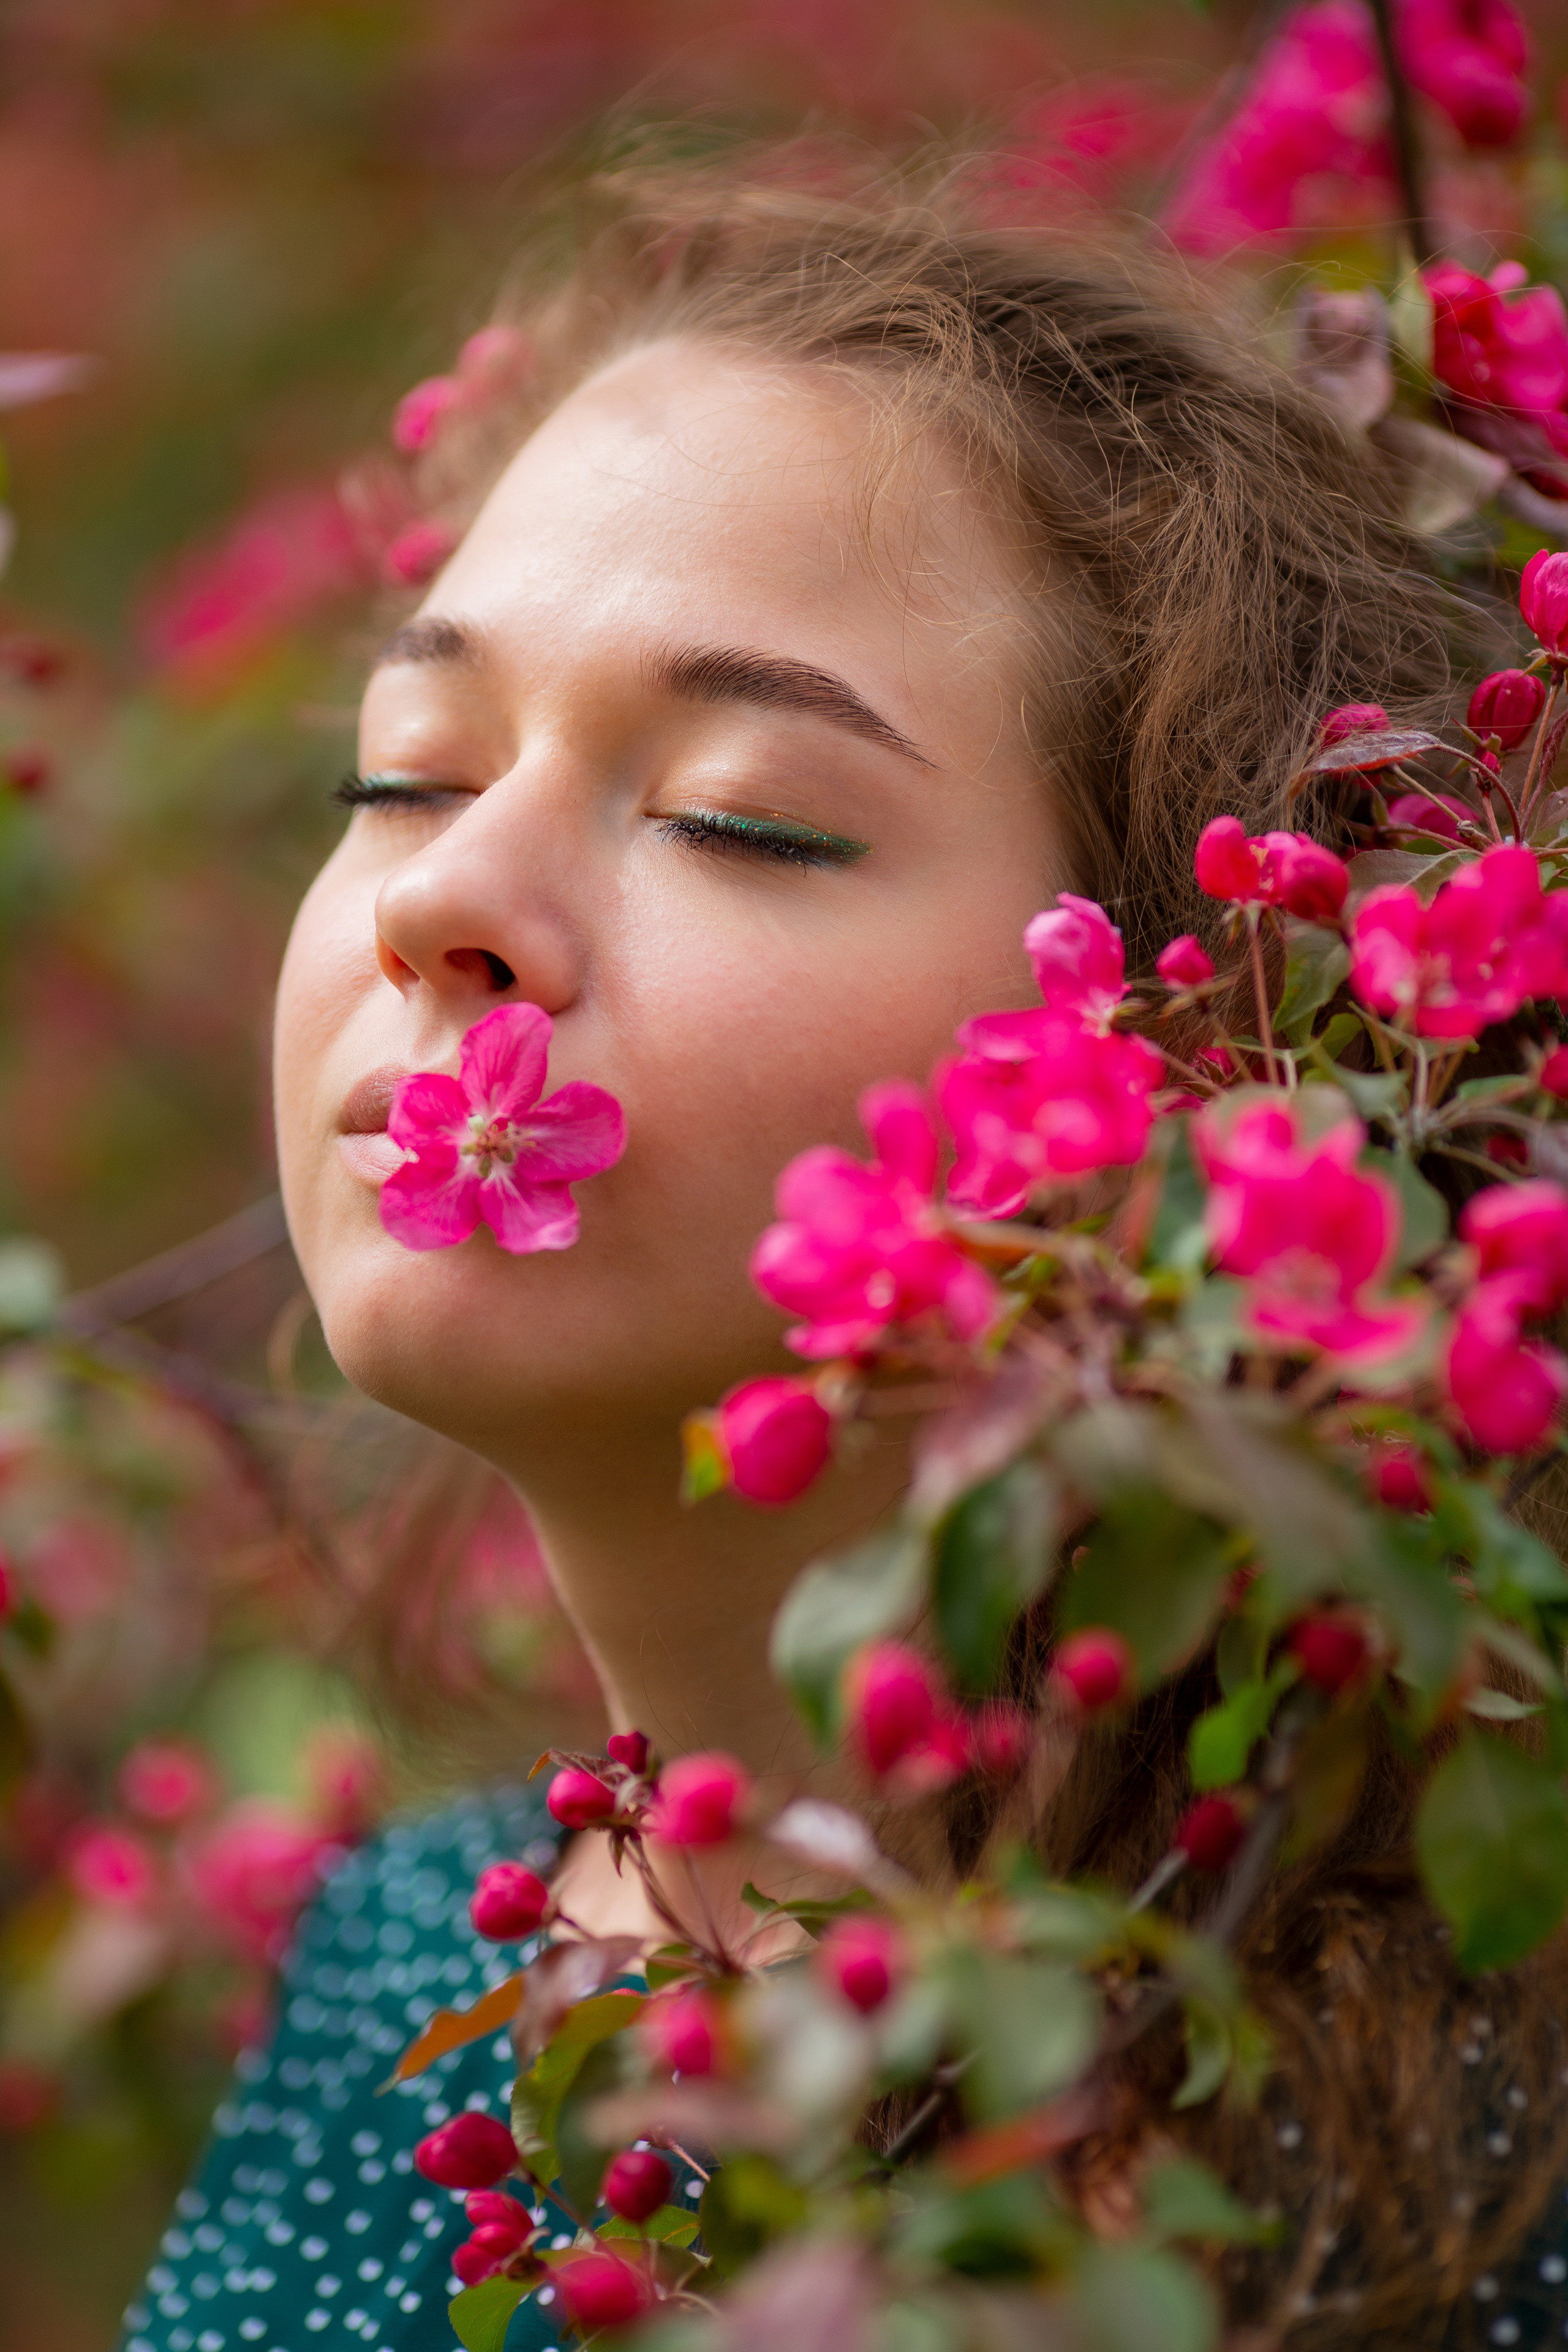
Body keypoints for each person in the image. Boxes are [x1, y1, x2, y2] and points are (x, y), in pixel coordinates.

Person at [119, 159, 1568, 2352]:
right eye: (407, 775)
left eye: (739, 817)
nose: (443, 901)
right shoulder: (397, 1963)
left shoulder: (1469, 2091)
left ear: (1210, 1036)